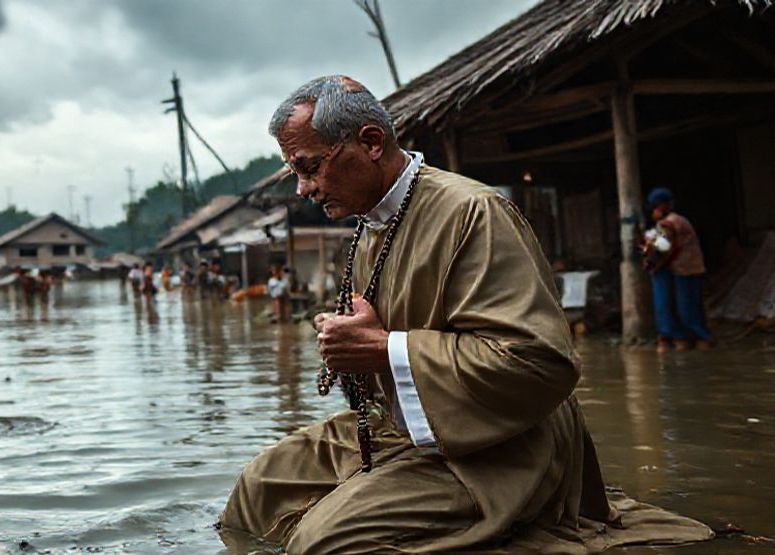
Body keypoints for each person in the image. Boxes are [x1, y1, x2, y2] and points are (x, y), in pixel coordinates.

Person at [219, 75, 712, 553]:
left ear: (370, 142)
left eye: (309, 168)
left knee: (325, 542)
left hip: (503, 441)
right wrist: (353, 344)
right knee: (257, 491)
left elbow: (542, 363)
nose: (304, 189)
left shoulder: (475, 213)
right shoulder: (370, 226)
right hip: (401, 428)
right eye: (296, 174)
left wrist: (383, 348)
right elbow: (380, 346)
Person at [642, 188, 713, 353]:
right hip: (682, 269)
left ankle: (701, 337)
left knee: (686, 307)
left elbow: (662, 248)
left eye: (657, 207)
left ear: (664, 206)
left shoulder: (670, 223)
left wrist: (648, 255)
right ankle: (685, 338)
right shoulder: (672, 222)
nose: (654, 211)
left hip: (686, 269)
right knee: (682, 305)